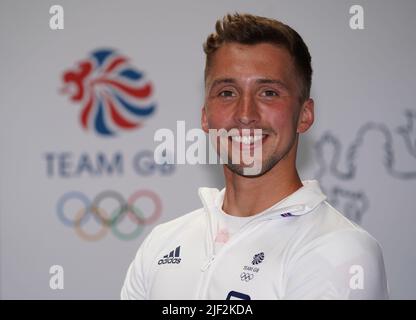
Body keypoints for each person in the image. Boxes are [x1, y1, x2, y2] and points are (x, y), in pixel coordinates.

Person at [121, 13, 389, 300]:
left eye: (269, 92)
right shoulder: (162, 242)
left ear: (305, 115)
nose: (245, 114)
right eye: (227, 92)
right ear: (205, 117)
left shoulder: (340, 249)